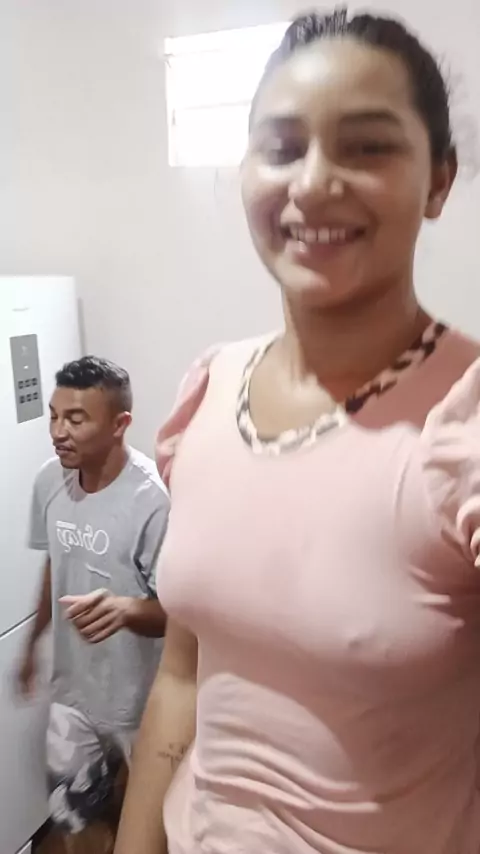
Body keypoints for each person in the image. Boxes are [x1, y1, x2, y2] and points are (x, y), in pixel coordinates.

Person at [115, 9, 480, 854]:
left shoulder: (462, 419)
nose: (313, 183)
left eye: (367, 147)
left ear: (438, 181)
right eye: (281, 147)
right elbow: (184, 677)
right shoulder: (207, 393)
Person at [18, 356, 169, 847]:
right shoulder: (50, 481)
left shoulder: (153, 500)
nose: (58, 432)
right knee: (75, 824)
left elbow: (180, 614)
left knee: (152, 832)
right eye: (54, 416)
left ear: (120, 424)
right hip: (73, 694)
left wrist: (126, 609)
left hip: (143, 704)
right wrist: (32, 643)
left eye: (76, 419)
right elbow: (55, 565)